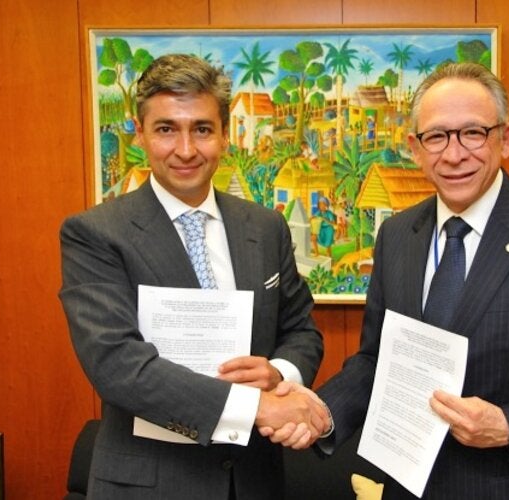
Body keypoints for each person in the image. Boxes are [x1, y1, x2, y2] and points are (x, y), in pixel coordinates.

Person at [265, 62, 509, 498]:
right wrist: (323, 411)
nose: (453, 155)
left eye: (473, 133)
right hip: (408, 486)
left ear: (505, 139)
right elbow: (377, 359)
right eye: (437, 136)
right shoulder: (396, 235)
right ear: (415, 147)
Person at [59, 54, 327, 500]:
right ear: (140, 133)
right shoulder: (95, 233)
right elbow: (117, 364)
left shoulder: (264, 226)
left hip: (253, 480)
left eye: (202, 129)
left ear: (224, 135)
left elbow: (300, 329)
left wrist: (277, 375)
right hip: (149, 485)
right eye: (166, 129)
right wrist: (258, 407)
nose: (186, 150)